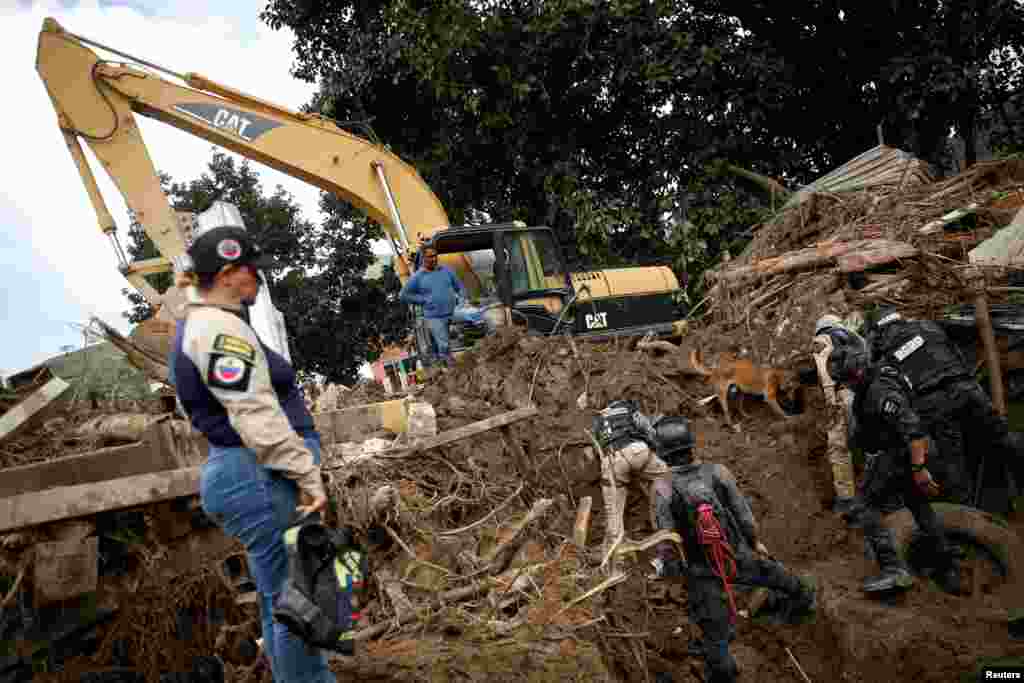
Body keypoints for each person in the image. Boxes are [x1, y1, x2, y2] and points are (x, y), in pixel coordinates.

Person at [169, 225, 335, 683]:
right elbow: (254, 411)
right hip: (260, 474)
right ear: (226, 274)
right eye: (252, 272)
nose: (259, 282)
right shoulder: (218, 329)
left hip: (251, 472)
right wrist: (306, 472)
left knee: (281, 601)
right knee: (303, 601)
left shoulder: (210, 325)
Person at [650, 414, 816, 683]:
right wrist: (753, 543)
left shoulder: (662, 488)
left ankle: (724, 674)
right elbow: (744, 516)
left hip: (701, 571)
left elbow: (667, 543)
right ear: (691, 444)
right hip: (735, 553)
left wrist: (675, 576)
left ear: (662, 453)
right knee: (772, 573)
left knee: (715, 636)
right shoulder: (718, 472)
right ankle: (804, 598)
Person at [829, 345, 962, 595]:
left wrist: (919, 469)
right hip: (902, 452)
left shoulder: (880, 393)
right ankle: (947, 565)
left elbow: (913, 432)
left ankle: (893, 569)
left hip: (907, 453)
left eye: (847, 380)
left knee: (864, 506)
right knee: (917, 503)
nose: (847, 386)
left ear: (857, 373)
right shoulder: (876, 379)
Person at [865, 308, 1023, 505]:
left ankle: (968, 518)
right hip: (965, 387)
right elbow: (955, 352)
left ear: (877, 330)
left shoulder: (885, 353)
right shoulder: (928, 325)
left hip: (932, 402)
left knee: (953, 462)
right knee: (1004, 437)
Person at [591, 400, 674, 572]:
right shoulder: (627, 408)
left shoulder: (597, 421)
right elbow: (647, 429)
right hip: (637, 451)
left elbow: (597, 450)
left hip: (612, 461)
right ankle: (669, 512)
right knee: (669, 479)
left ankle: (618, 563)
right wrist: (656, 447)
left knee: (614, 514)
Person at [812, 314, 868, 521]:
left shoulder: (822, 340)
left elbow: (824, 372)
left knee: (839, 449)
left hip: (841, 397)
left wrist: (830, 402)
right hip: (864, 395)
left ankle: (847, 501)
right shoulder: (855, 338)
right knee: (868, 443)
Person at [399, 246, 466, 366]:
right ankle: (451, 368)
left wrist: (462, 299)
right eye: (430, 256)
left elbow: (459, 286)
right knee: (444, 345)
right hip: (434, 316)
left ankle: (448, 363)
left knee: (466, 331)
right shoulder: (418, 277)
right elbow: (404, 295)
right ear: (424, 258)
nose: (434, 259)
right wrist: (423, 300)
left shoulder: (446, 270)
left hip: (453, 312)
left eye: (435, 256)